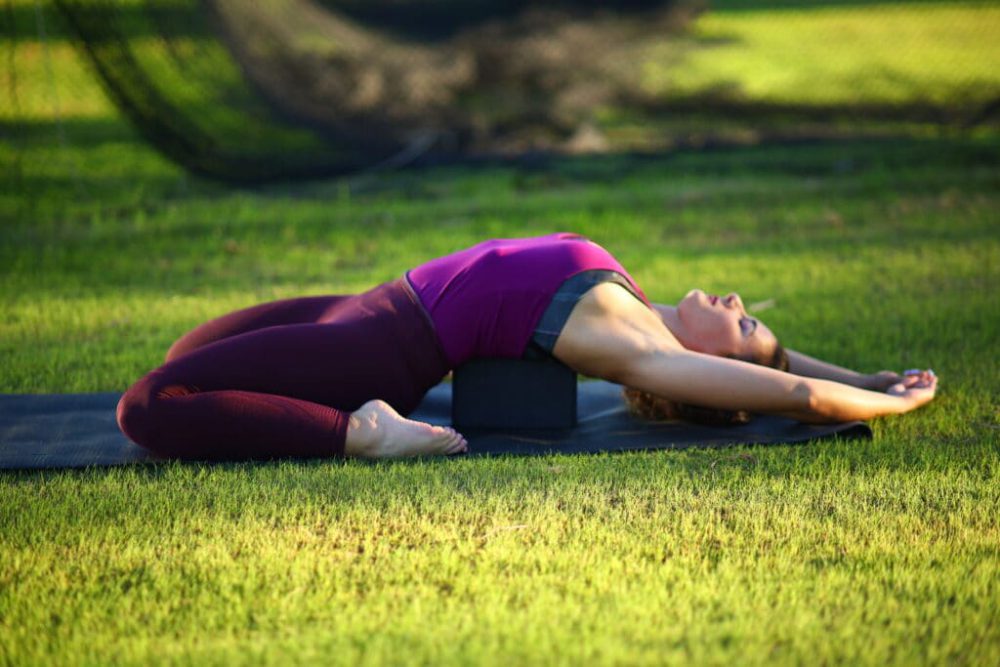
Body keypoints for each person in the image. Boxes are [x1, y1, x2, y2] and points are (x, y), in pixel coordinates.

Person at [116, 232, 937, 461]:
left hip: (383, 347)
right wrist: (867, 370)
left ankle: (360, 434)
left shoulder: (636, 347)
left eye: (745, 324)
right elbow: (794, 369)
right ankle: (330, 418)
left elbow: (794, 394)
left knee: (149, 405)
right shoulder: (641, 303)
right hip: (367, 300)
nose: (737, 302)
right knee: (183, 351)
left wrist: (888, 403)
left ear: (716, 369)